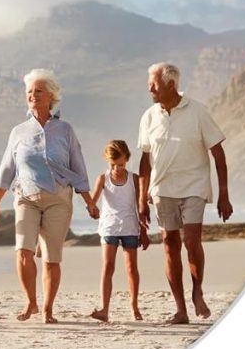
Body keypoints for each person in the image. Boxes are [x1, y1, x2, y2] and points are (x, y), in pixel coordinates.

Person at [0, 69, 99, 324]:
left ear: (51, 96)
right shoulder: (18, 132)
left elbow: (78, 167)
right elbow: (7, 168)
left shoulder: (65, 130)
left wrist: (89, 201)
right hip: (25, 196)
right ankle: (31, 302)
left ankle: (48, 309)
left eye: (38, 91)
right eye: (29, 92)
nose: (32, 96)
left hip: (58, 198)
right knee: (22, 252)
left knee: (51, 258)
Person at [138, 61, 232, 324]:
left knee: (191, 241)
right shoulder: (149, 116)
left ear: (170, 84)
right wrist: (141, 199)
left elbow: (218, 152)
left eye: (153, 84)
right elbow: (144, 161)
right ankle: (180, 309)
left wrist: (224, 193)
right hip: (162, 188)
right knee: (169, 245)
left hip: (194, 185)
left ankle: (197, 290)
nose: (150, 89)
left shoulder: (198, 111)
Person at [88, 140, 149, 322]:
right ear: (107, 161)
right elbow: (93, 201)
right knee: (108, 267)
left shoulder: (134, 179)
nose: (116, 168)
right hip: (109, 227)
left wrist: (144, 233)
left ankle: (134, 307)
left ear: (127, 159)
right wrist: (92, 209)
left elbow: (141, 207)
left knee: (132, 269)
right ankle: (104, 309)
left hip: (130, 227)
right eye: (112, 164)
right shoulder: (103, 178)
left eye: (120, 164)